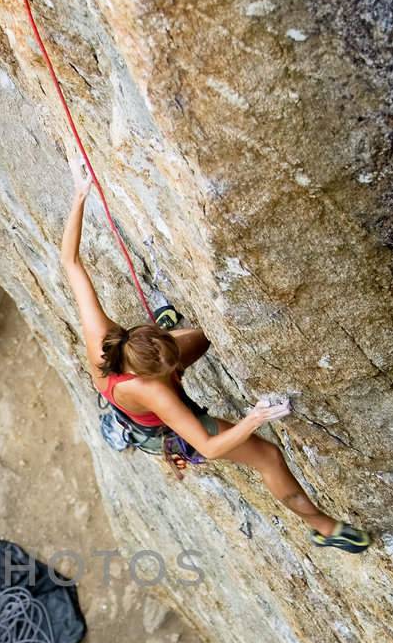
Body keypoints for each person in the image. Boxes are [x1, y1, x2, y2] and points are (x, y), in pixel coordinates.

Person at [61, 154, 371, 553]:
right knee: (269, 457)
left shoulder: (103, 338)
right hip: (166, 428)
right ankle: (325, 529)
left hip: (142, 382)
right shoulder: (157, 394)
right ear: (155, 374)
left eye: (168, 349)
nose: (178, 367)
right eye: (172, 367)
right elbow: (209, 447)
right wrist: (254, 418)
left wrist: (79, 194)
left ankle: (168, 327)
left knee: (204, 336)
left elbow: (70, 263)